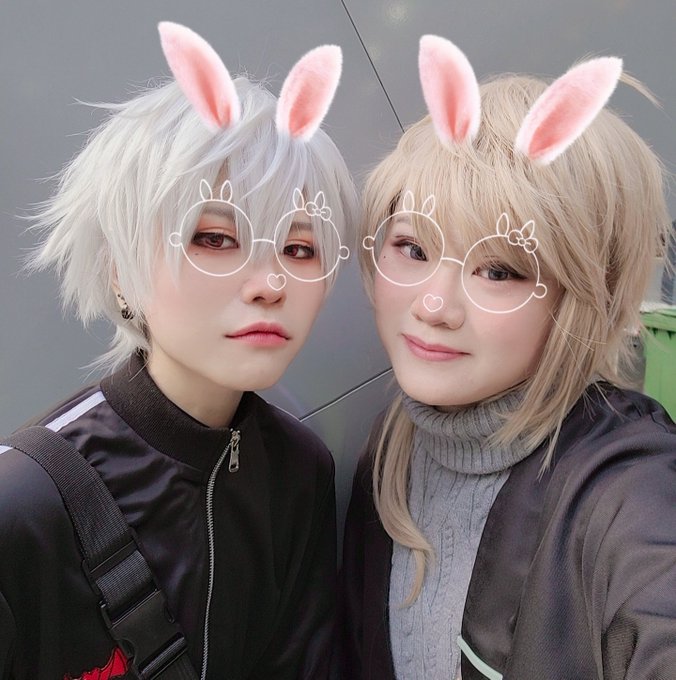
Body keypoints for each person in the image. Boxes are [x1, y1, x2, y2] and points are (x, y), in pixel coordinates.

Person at [0, 21, 357, 680]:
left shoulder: (300, 473)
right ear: (120, 270)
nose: (271, 282)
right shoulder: (24, 503)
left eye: (300, 247)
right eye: (216, 238)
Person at [338, 35, 676, 680]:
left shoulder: (630, 493)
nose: (434, 305)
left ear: (584, 297)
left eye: (497, 270)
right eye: (412, 248)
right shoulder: (390, 450)